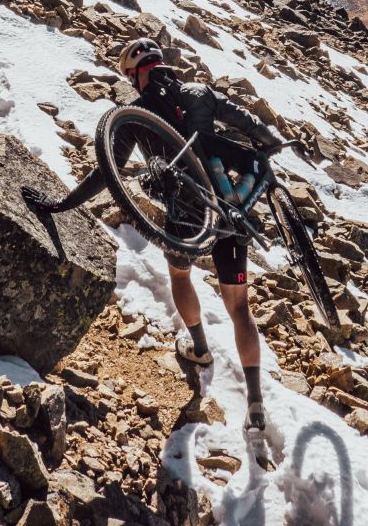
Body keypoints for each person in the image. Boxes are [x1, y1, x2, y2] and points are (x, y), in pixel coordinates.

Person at [115, 36, 280, 440]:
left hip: (184, 213)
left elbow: (109, 168)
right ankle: (255, 403)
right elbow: (250, 124)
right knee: (239, 306)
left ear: (138, 73)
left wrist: (65, 202)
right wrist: (270, 141)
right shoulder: (198, 92)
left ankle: (200, 348)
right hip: (225, 205)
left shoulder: (135, 111)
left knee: (180, 276)